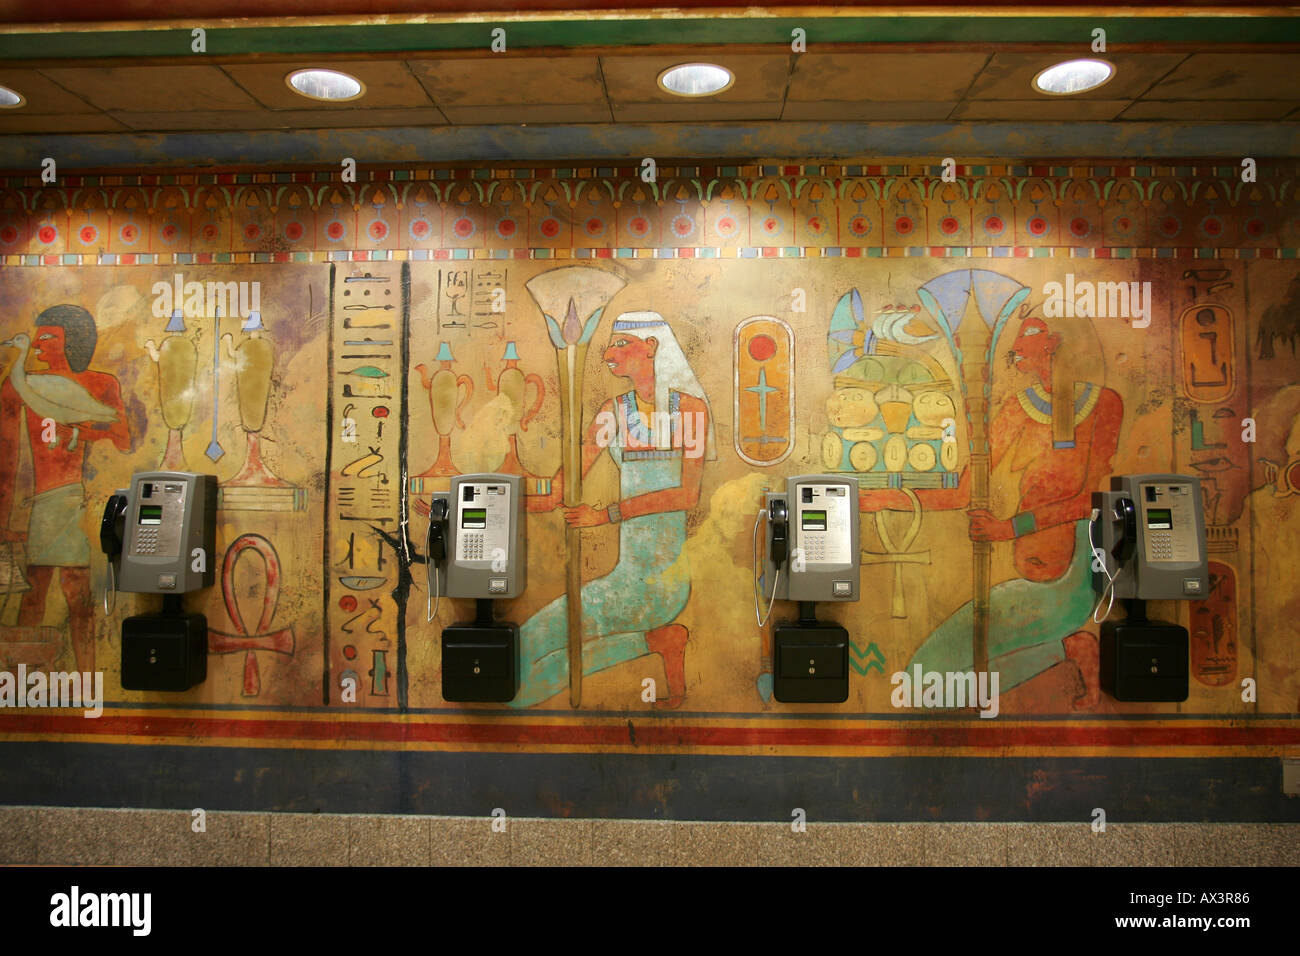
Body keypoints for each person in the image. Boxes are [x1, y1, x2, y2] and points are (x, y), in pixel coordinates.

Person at [860, 313, 1122, 705]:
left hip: (1070, 583)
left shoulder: (1104, 405)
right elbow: (965, 492)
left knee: (925, 683)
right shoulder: (1018, 408)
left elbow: (1090, 501)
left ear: (1053, 342)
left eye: (1029, 334)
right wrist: (890, 499)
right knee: (924, 683)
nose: (1016, 348)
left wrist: (1007, 530)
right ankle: (1069, 649)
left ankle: (1072, 648)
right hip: (1030, 579)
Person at [512, 311, 715, 708]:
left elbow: (685, 496)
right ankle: (655, 642)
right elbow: (558, 492)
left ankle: (657, 639)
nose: (609, 353)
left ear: (652, 347)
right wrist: (496, 503)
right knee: (518, 670)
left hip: (661, 584)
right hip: (625, 579)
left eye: (622, 343)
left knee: (517, 675)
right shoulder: (614, 412)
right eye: (610, 344)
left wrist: (606, 515)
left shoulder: (690, 411)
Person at [0, 304, 131, 673]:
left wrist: (79, 432)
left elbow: (122, 438)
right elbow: (6, 459)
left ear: (72, 342)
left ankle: (89, 683)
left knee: (78, 595)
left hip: (77, 501)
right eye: (37, 336)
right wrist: (4, 520)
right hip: (37, 503)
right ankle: (21, 685)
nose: (39, 343)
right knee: (32, 594)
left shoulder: (101, 384)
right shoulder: (18, 386)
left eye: (48, 337)